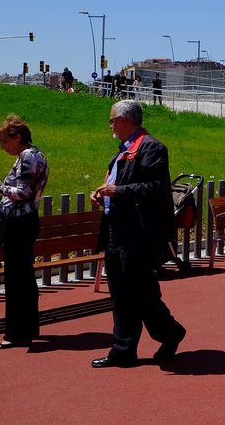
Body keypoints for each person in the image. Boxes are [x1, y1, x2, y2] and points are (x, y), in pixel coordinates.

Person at [90, 100, 186, 367]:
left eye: (112, 120)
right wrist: (102, 192)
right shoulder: (122, 152)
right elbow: (118, 182)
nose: (109, 125)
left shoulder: (152, 147)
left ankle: (170, 332)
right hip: (116, 230)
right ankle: (123, 351)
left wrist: (117, 192)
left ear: (124, 120)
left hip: (139, 233)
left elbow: (156, 187)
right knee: (121, 292)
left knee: (140, 292)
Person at [0, 115, 49, 349]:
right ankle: (27, 328)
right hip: (26, 221)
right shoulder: (38, 155)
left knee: (17, 280)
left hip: (19, 222)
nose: (3, 147)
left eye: (5, 142)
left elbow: (22, 193)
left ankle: (16, 333)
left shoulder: (27, 157)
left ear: (17, 137)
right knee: (24, 278)